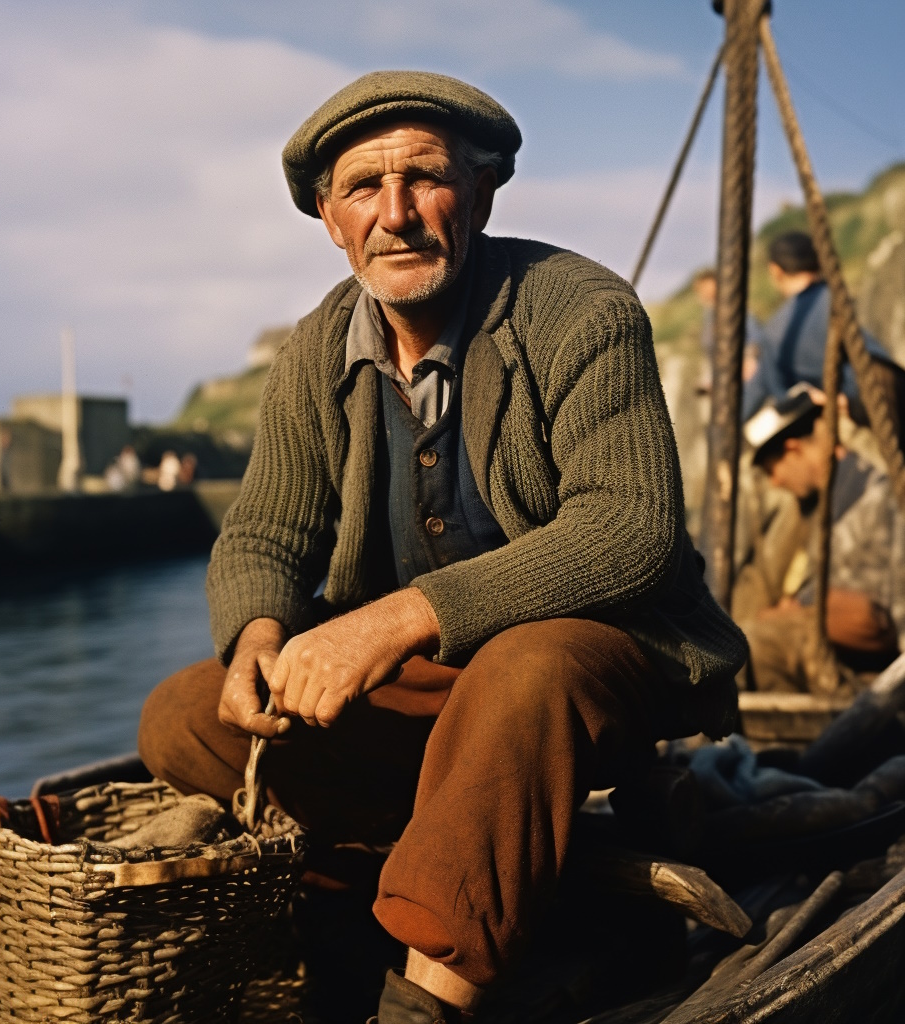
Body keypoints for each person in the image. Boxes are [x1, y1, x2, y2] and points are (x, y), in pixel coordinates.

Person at [138, 71, 747, 1023]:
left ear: (482, 191)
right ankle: (400, 891)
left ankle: (429, 996)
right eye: (362, 189)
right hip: (438, 686)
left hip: (601, 658)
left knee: (526, 668)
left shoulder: (579, 309)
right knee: (183, 716)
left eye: (426, 178)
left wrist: (395, 620)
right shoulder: (313, 353)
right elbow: (265, 531)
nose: (397, 214)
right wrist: (259, 632)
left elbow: (631, 532)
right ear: (330, 220)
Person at [739, 387, 905, 693]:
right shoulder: (825, 502)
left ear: (793, 450)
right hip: (836, 654)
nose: (775, 482)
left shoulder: (873, 497)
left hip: (870, 672)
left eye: (772, 470)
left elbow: (876, 623)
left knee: (757, 644)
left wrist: (798, 614)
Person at [741, 231, 888, 421]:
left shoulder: (773, 333)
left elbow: (770, 396)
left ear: (775, 271)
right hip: (885, 406)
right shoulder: (846, 300)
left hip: (842, 422)